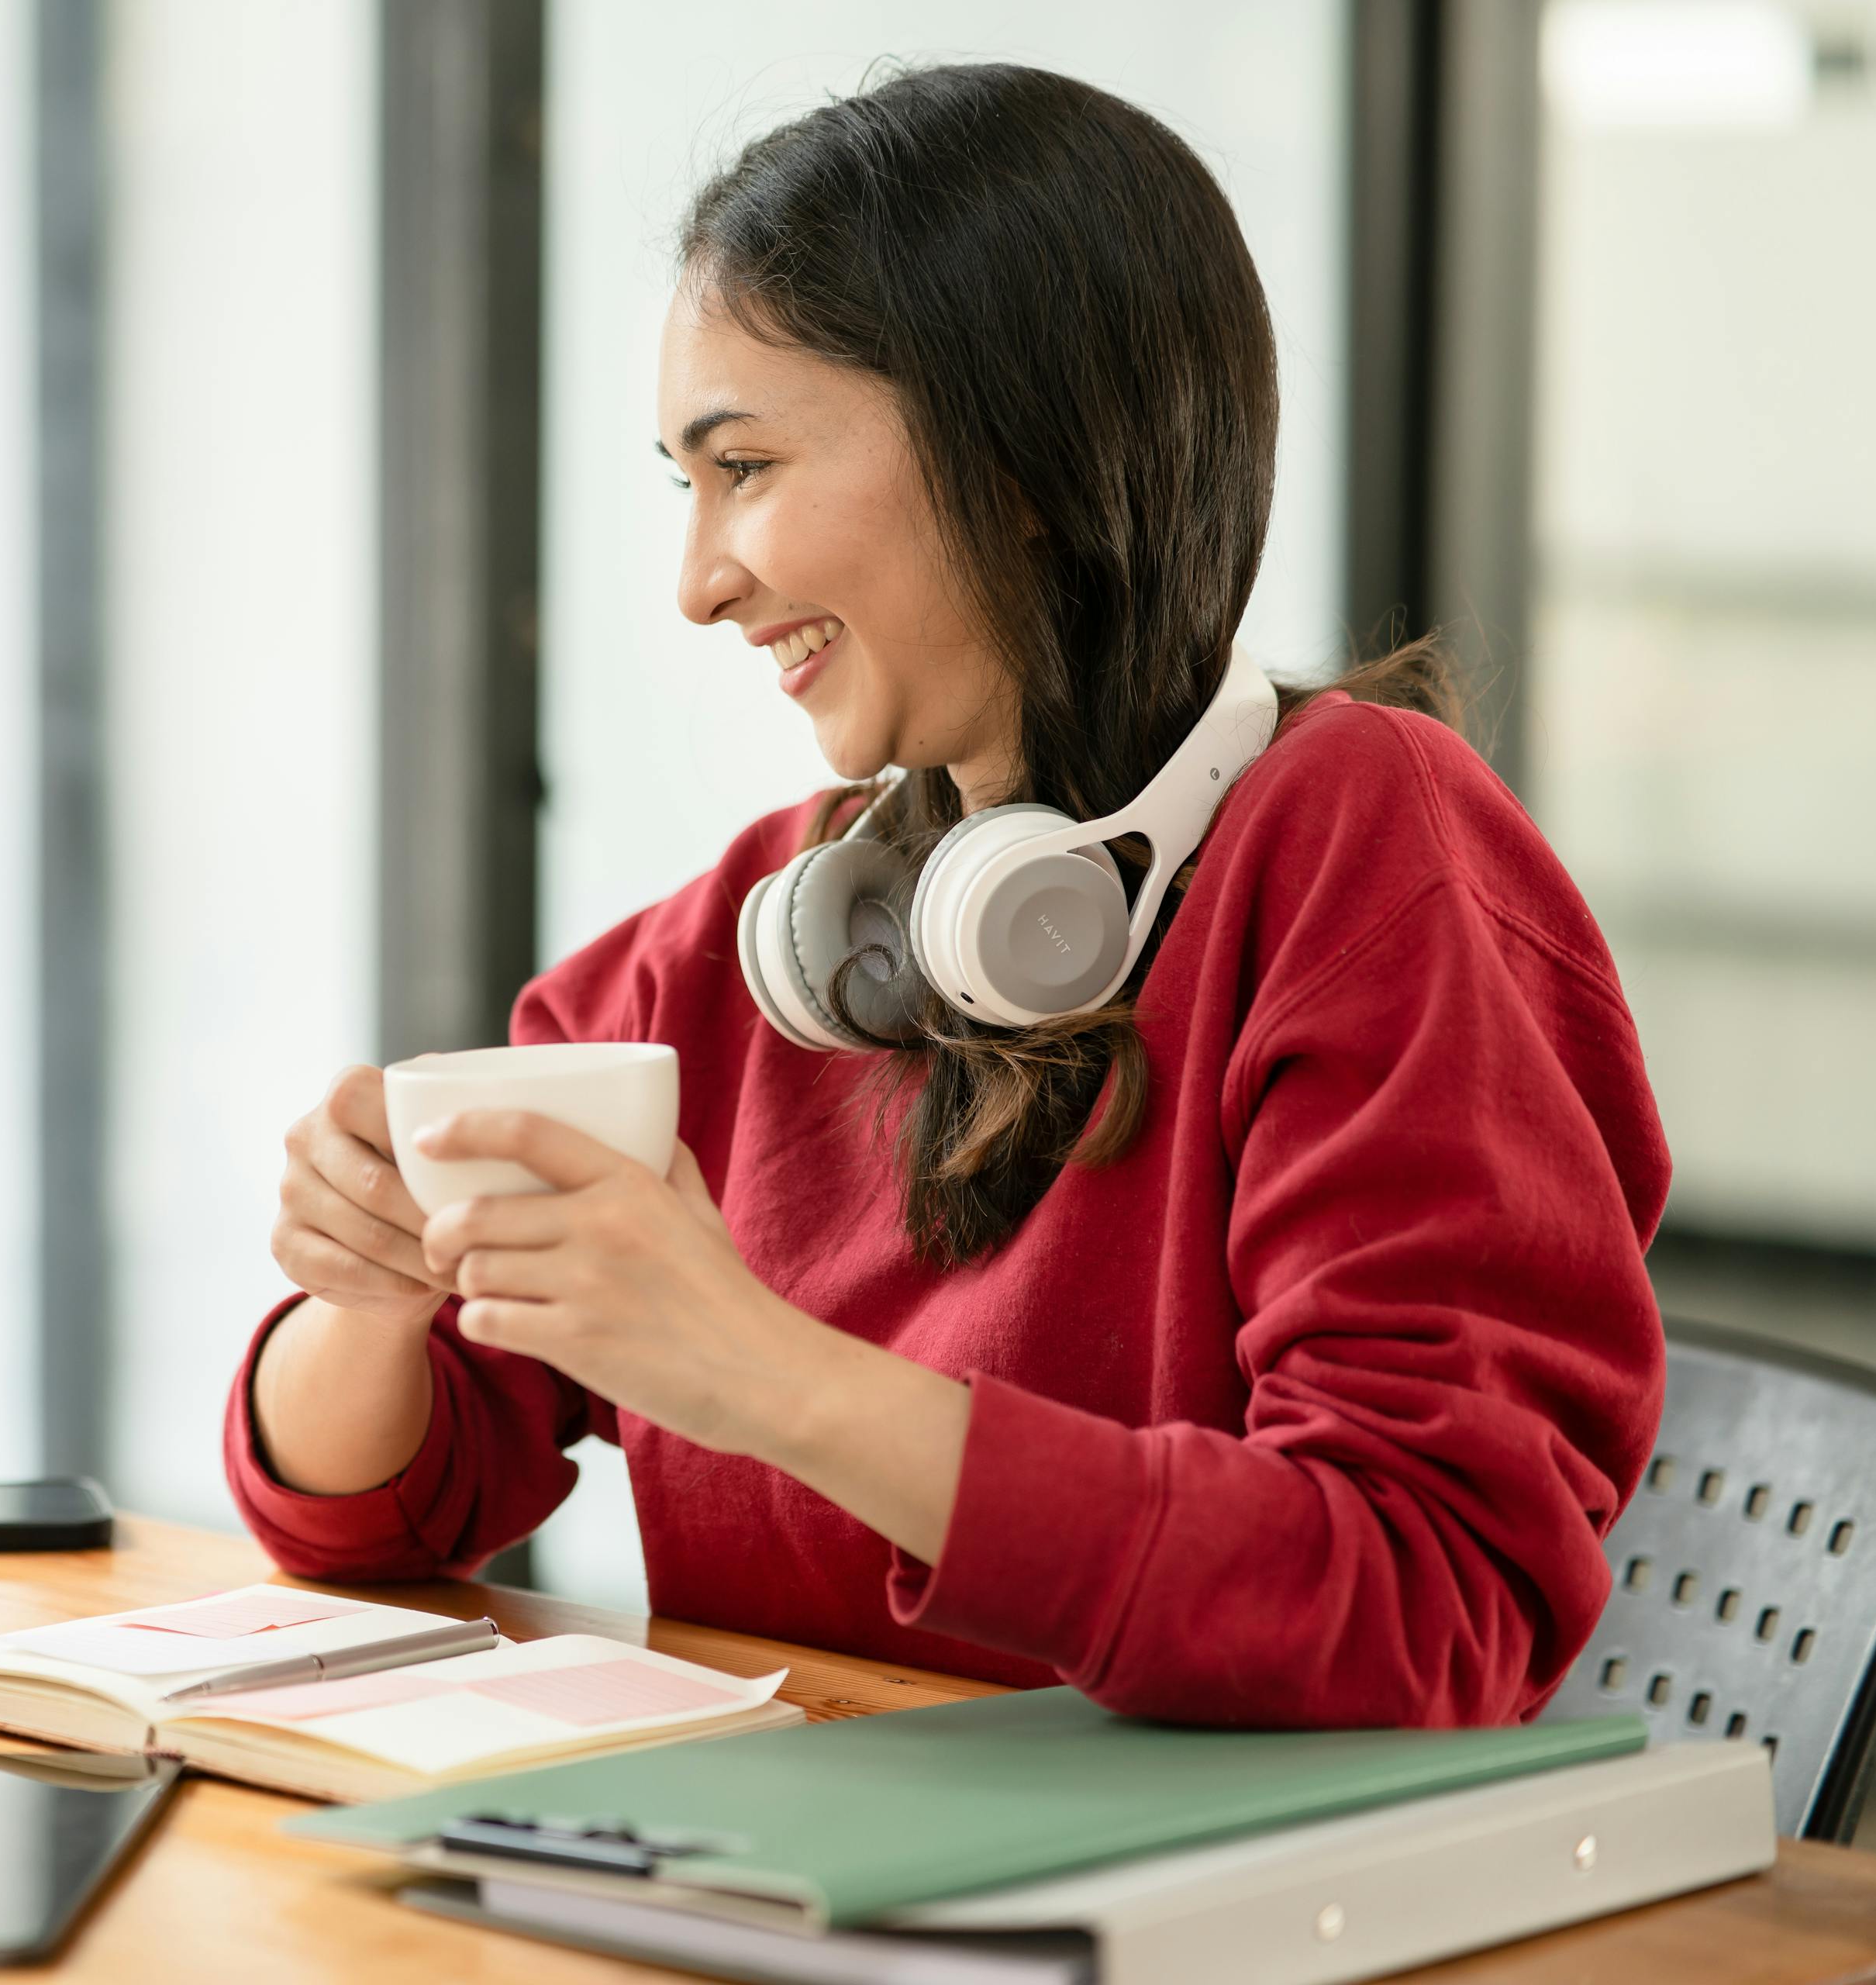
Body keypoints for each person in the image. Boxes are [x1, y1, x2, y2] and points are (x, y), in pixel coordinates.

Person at [224, 63, 1666, 1728]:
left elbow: (1427, 1601)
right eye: (681, 484)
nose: (698, 581)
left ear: (1025, 454)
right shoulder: (771, 939)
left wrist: (769, 1379)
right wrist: (369, 1299)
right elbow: (362, 1511)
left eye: (747, 465)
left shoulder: (1364, 847)